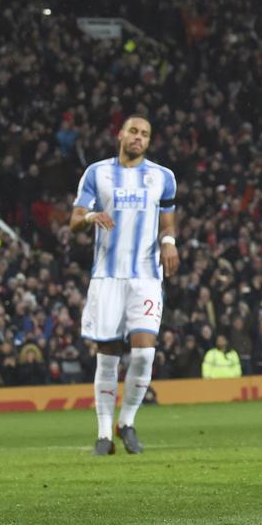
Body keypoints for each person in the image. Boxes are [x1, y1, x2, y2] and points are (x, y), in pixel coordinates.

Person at [70, 116, 179, 456]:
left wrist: (169, 242)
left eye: (145, 134)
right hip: (107, 277)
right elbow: (74, 220)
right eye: (133, 131)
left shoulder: (163, 177)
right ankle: (104, 435)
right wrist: (91, 217)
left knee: (145, 353)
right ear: (120, 134)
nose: (138, 138)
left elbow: (167, 221)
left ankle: (126, 422)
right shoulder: (97, 173)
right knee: (107, 358)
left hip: (146, 276)